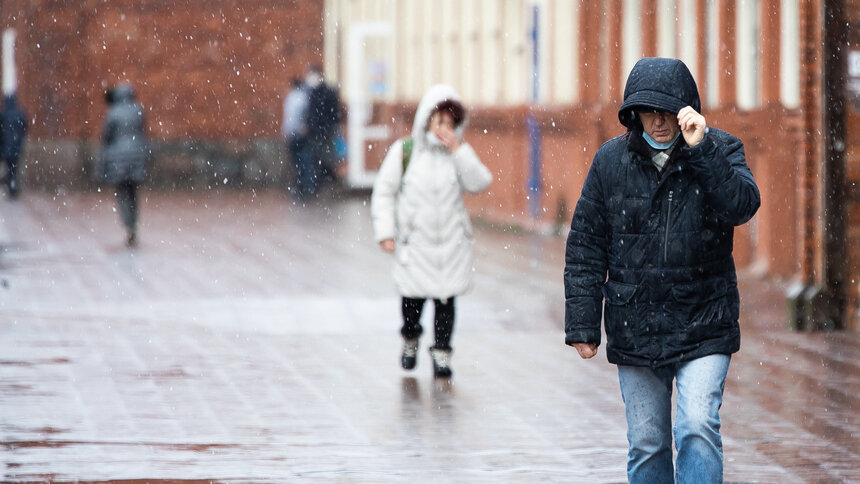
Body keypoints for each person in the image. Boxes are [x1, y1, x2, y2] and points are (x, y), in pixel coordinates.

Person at [563, 57, 760, 484]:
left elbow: (741, 206)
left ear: (686, 110)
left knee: (697, 427)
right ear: (633, 114)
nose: (658, 121)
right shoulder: (610, 161)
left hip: (704, 319)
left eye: (667, 111)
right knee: (647, 442)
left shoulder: (720, 148)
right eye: (648, 111)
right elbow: (586, 243)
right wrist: (582, 323)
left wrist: (701, 149)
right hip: (636, 323)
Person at [371, 84, 492, 378]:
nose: (444, 129)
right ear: (426, 120)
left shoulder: (458, 154)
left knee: (445, 301)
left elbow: (480, 182)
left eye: (450, 123)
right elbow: (384, 192)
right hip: (416, 244)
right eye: (439, 121)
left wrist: (459, 151)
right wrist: (386, 232)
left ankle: (442, 354)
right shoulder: (406, 152)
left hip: (451, 244)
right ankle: (411, 339)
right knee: (412, 301)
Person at [100, 84, 150, 247]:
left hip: (118, 157)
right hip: (136, 156)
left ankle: (128, 225)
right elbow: (142, 132)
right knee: (133, 192)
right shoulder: (138, 110)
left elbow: (106, 136)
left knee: (122, 192)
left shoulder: (113, 112)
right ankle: (134, 224)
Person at [304, 64, 342, 194]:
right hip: (317, 133)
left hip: (323, 133)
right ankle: (322, 185)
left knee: (324, 160)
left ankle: (325, 184)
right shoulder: (314, 92)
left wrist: (329, 129)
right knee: (320, 160)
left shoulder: (324, 93)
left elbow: (333, 113)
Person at [282, 77, 310, 197]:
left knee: (295, 162)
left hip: (291, 134)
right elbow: (305, 116)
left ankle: (297, 187)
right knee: (303, 161)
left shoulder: (290, 98)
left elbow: (288, 119)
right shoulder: (303, 98)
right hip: (300, 134)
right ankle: (304, 187)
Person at [0, 94, 27, 199]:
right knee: (14, 169)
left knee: (9, 168)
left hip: (6, 148)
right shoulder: (20, 114)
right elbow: (24, 129)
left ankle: (11, 187)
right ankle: (13, 188)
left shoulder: (4, 114)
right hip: (17, 147)